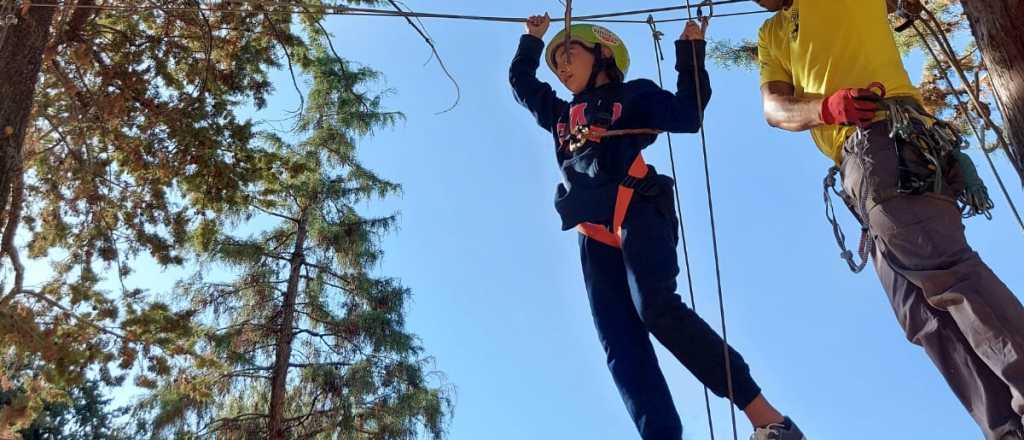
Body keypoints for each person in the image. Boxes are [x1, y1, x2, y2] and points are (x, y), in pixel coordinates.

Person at [509, 12, 806, 440]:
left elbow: (687, 115)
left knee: (657, 309)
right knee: (620, 346)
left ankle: (768, 418)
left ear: (603, 54)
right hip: (593, 235)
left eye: (568, 54)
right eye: (556, 64)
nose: (562, 68)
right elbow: (522, 84)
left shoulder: (633, 96)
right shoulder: (560, 115)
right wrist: (532, 41)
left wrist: (690, 50)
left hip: (638, 207)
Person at [755, 0, 1024, 438]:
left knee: (944, 269)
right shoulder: (771, 33)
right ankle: (1008, 430)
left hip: (888, 137)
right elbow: (775, 109)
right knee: (919, 315)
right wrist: (825, 109)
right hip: (858, 170)